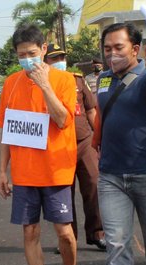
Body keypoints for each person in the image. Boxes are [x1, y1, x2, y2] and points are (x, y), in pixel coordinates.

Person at [0, 25, 78, 265]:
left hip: (56, 172)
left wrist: (44, 85)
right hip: (24, 174)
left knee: (64, 232)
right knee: (30, 232)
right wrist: (2, 171)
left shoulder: (64, 80)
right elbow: (8, 132)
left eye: (31, 53)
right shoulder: (11, 83)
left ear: (43, 49)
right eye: (21, 55)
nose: (27, 60)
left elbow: (63, 120)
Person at [91, 22, 146, 265]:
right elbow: (103, 112)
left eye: (118, 47)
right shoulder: (103, 79)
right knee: (116, 244)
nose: (111, 53)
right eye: (107, 48)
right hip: (110, 177)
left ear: (135, 48)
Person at [44, 43, 106, 251]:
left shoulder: (77, 80)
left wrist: (99, 139)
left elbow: (91, 111)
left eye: (62, 58)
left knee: (93, 185)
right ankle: (68, 238)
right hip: (58, 146)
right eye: (54, 59)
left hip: (84, 142)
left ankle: (97, 233)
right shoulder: (42, 84)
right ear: (45, 62)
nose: (60, 62)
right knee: (64, 193)